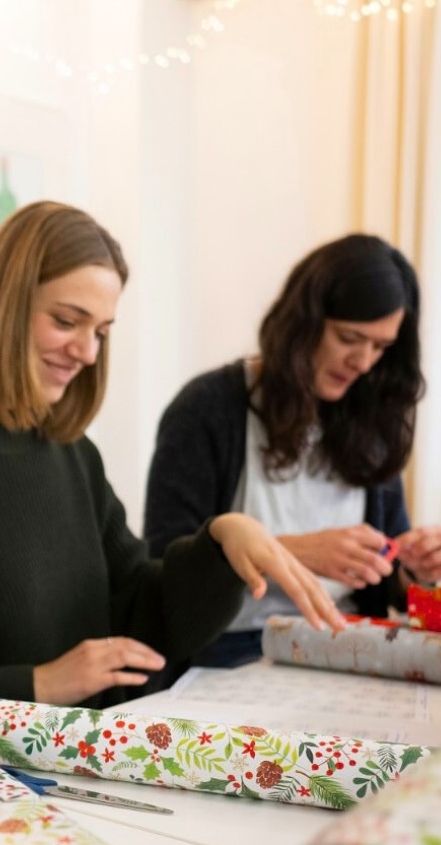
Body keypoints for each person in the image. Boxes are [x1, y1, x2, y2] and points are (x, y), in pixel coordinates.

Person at [0, 202, 341, 747]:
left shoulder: (72, 455)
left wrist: (224, 543)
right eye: (66, 321)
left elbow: (144, 618)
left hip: (81, 770)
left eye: (102, 332)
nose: (86, 351)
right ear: (5, 311)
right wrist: (37, 684)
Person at [144, 233, 441, 669]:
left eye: (380, 347)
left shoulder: (372, 418)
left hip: (349, 649)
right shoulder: (207, 409)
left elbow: (389, 582)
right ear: (302, 323)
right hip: (230, 654)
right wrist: (294, 551)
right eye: (349, 337)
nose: (363, 362)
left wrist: (416, 570)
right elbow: (161, 573)